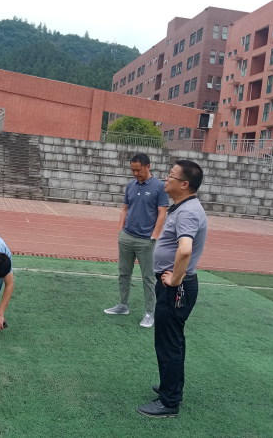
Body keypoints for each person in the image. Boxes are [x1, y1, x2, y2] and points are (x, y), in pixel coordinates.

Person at [137, 160, 207, 418]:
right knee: (173, 341)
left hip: (176, 288)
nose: (165, 179)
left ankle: (169, 402)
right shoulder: (183, 207)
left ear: (184, 184)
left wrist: (175, 280)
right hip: (176, 285)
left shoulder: (187, 212)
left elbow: (185, 249)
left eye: (171, 176)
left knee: (168, 344)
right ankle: (172, 388)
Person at [104, 153, 168, 328]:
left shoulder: (159, 187)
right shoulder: (131, 185)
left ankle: (149, 313)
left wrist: (154, 236)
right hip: (127, 236)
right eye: (132, 170)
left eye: (138, 170)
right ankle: (123, 305)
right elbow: (125, 208)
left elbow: (162, 213)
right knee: (124, 273)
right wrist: (120, 231)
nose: (135, 173)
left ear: (148, 167)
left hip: (146, 240)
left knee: (148, 277)